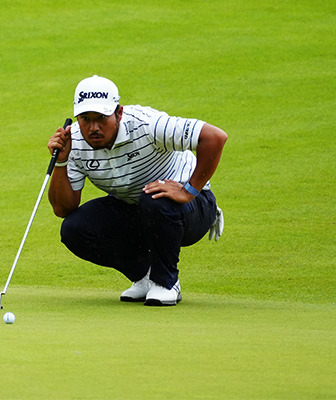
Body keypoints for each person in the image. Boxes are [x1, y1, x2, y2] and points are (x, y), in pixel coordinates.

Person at [46, 75, 227, 306]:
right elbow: (63, 208)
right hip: (137, 208)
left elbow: (214, 137)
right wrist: (61, 161)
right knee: (74, 229)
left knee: (154, 199)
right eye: (85, 118)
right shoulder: (74, 141)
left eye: (101, 118)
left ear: (118, 113)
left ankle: (166, 283)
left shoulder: (148, 123)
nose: (93, 127)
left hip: (189, 208)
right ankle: (145, 276)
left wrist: (189, 190)